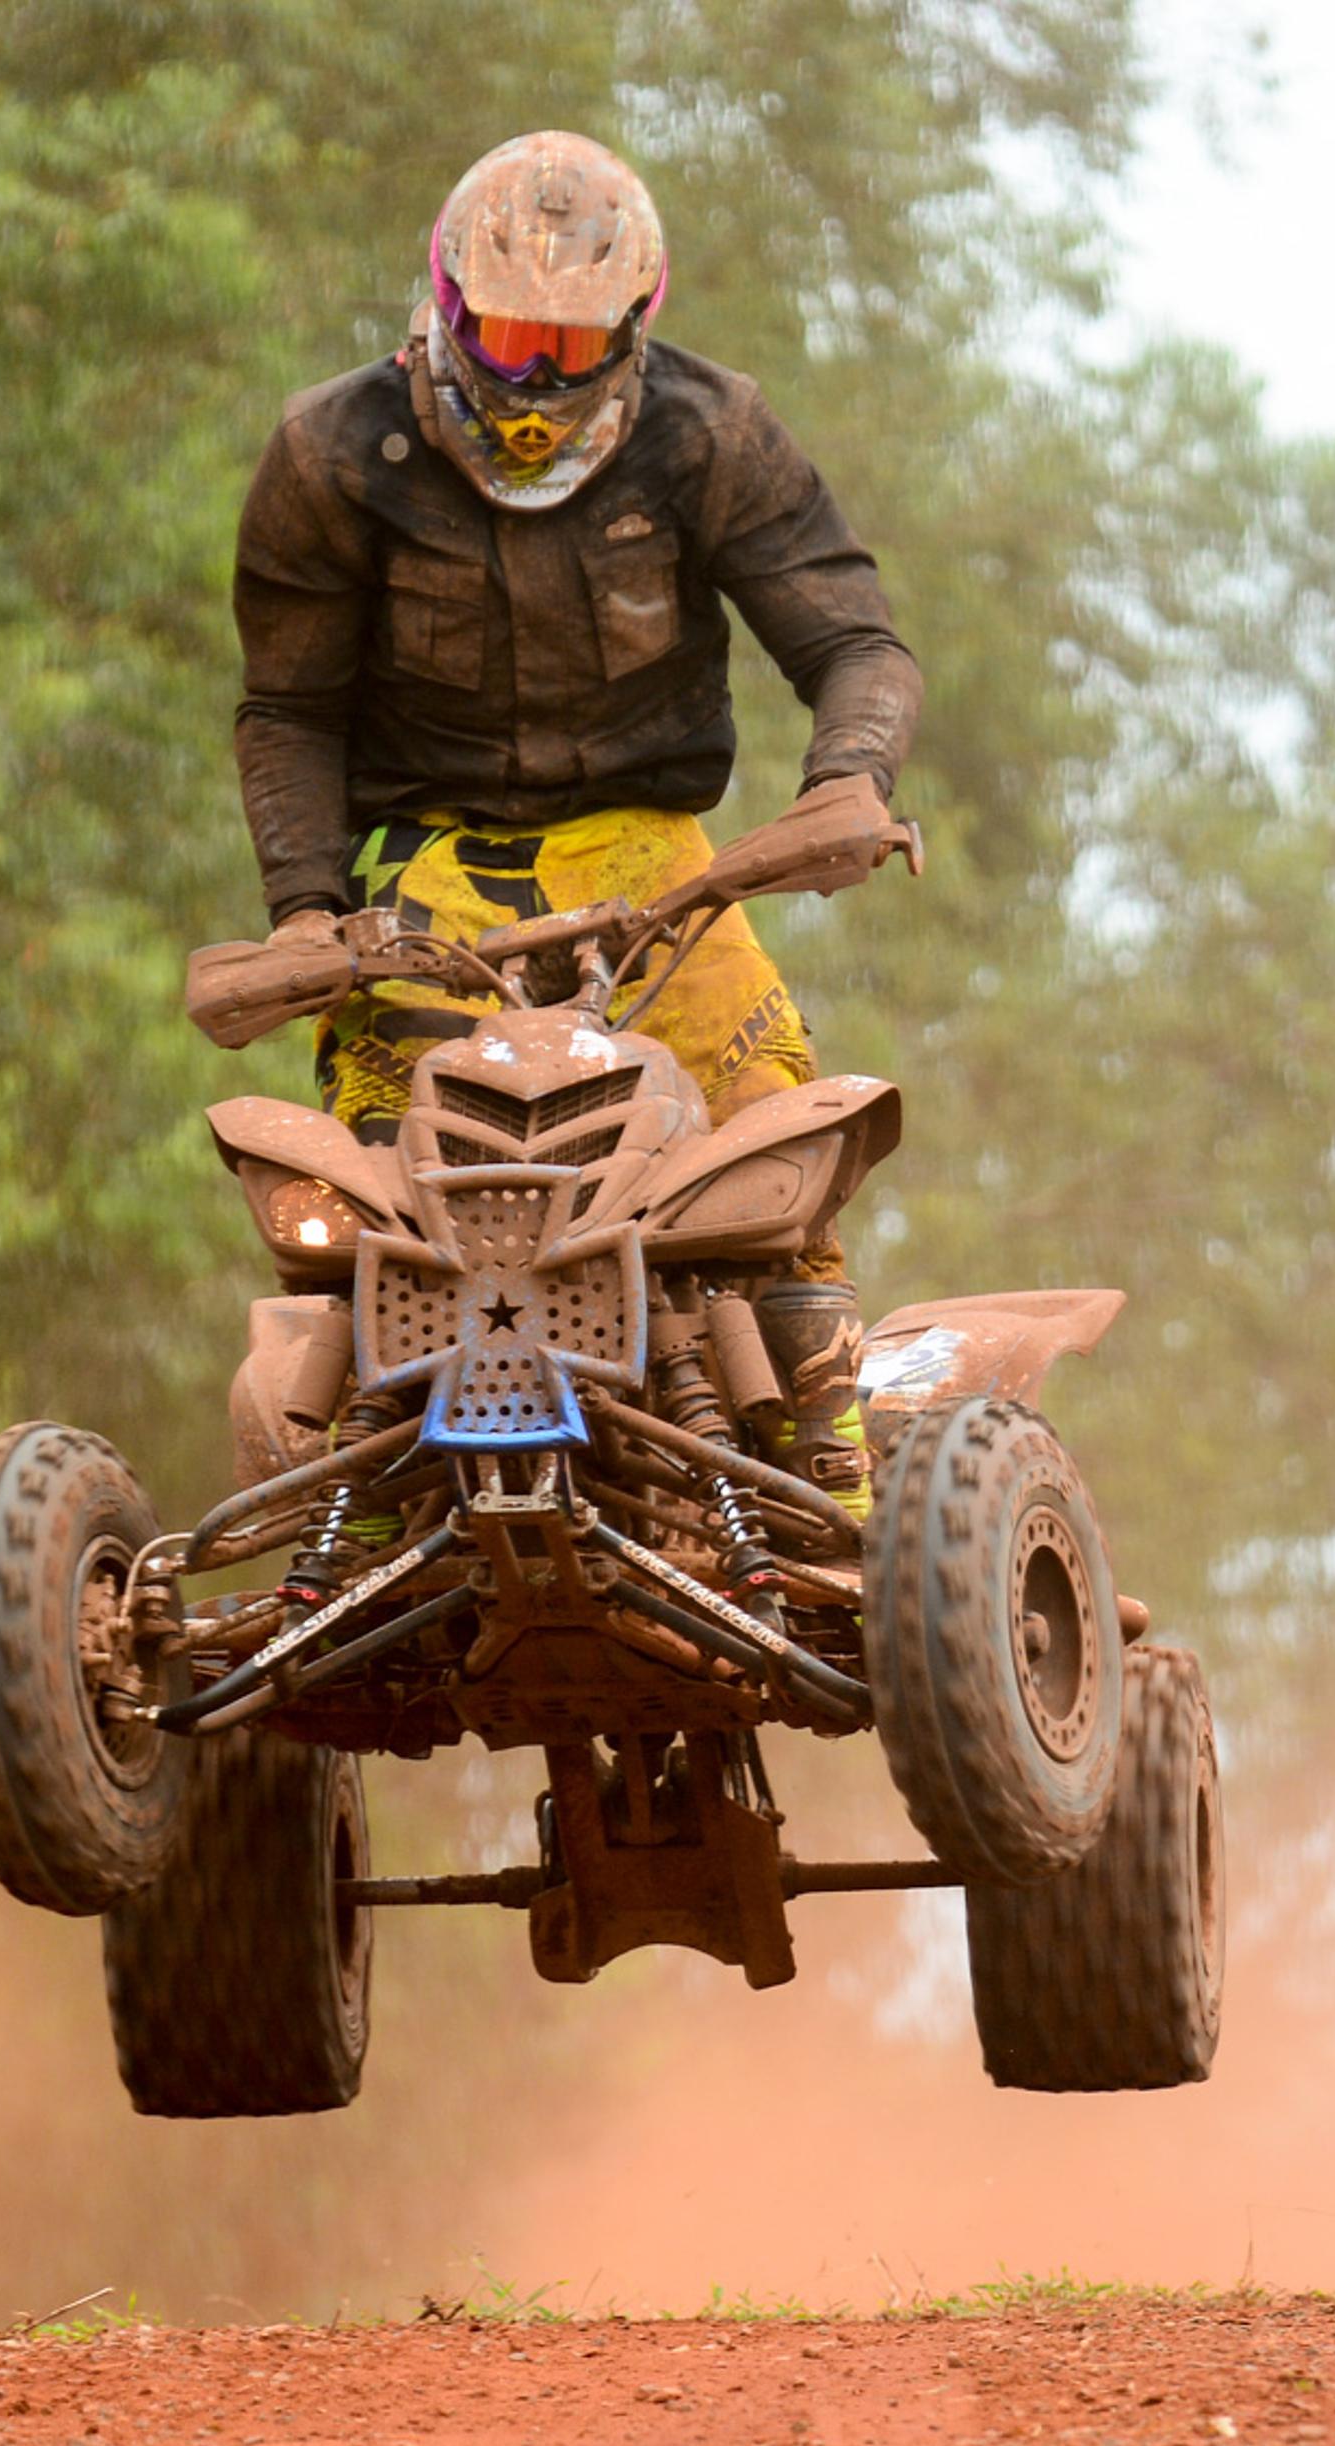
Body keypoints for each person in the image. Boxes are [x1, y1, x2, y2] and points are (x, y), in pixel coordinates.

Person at [226, 129, 920, 1512]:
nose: (532, 374)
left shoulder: (711, 435)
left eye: (569, 341)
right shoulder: (330, 453)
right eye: (508, 334)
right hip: (412, 885)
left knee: (777, 1159)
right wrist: (305, 911)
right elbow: (287, 710)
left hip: (655, 866)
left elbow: (859, 641)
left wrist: (850, 775)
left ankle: (851, 1518)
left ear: (636, 329)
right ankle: (343, 1510)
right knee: (364, 1207)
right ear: (444, 298)